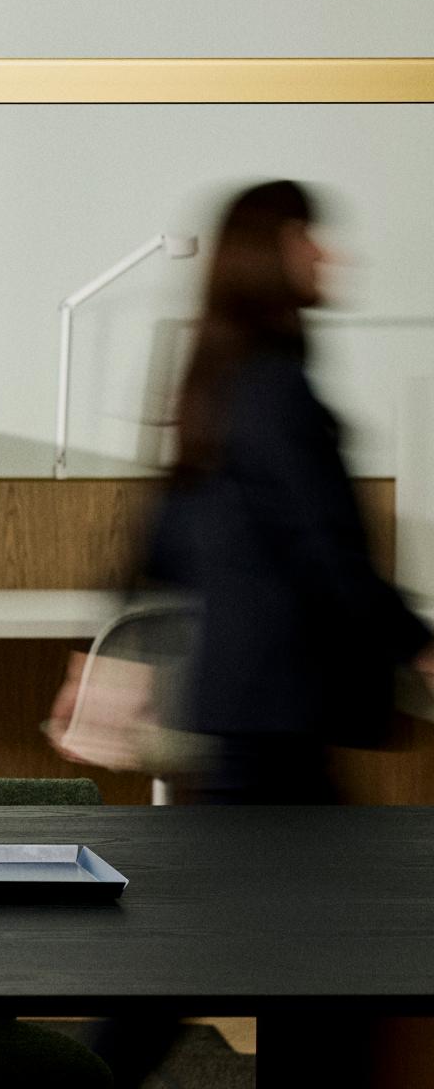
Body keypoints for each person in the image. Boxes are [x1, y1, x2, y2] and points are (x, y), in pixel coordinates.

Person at [148, 178, 434, 807]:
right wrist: (417, 642)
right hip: (275, 711)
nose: (327, 255)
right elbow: (321, 544)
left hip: (242, 710)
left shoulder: (221, 376)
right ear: (268, 253)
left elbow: (166, 530)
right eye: (306, 236)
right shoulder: (271, 388)